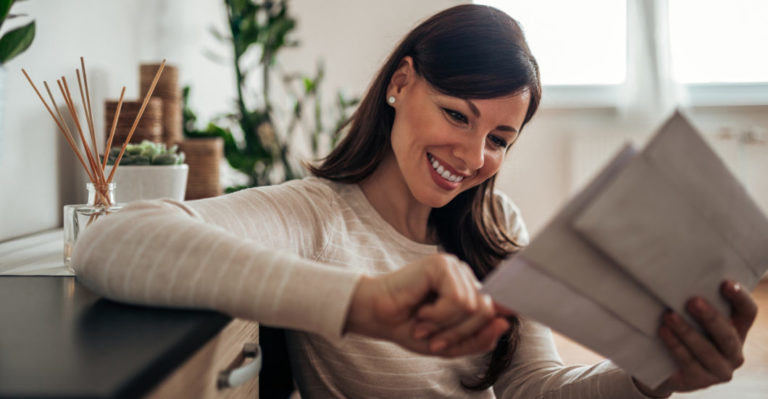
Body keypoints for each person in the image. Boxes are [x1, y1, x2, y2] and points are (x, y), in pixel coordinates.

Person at [72, 4, 757, 398]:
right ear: (402, 82)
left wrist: (652, 376)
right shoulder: (317, 214)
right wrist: (365, 302)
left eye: (499, 138)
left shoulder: (495, 224)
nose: (471, 156)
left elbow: (532, 388)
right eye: (457, 114)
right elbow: (110, 242)